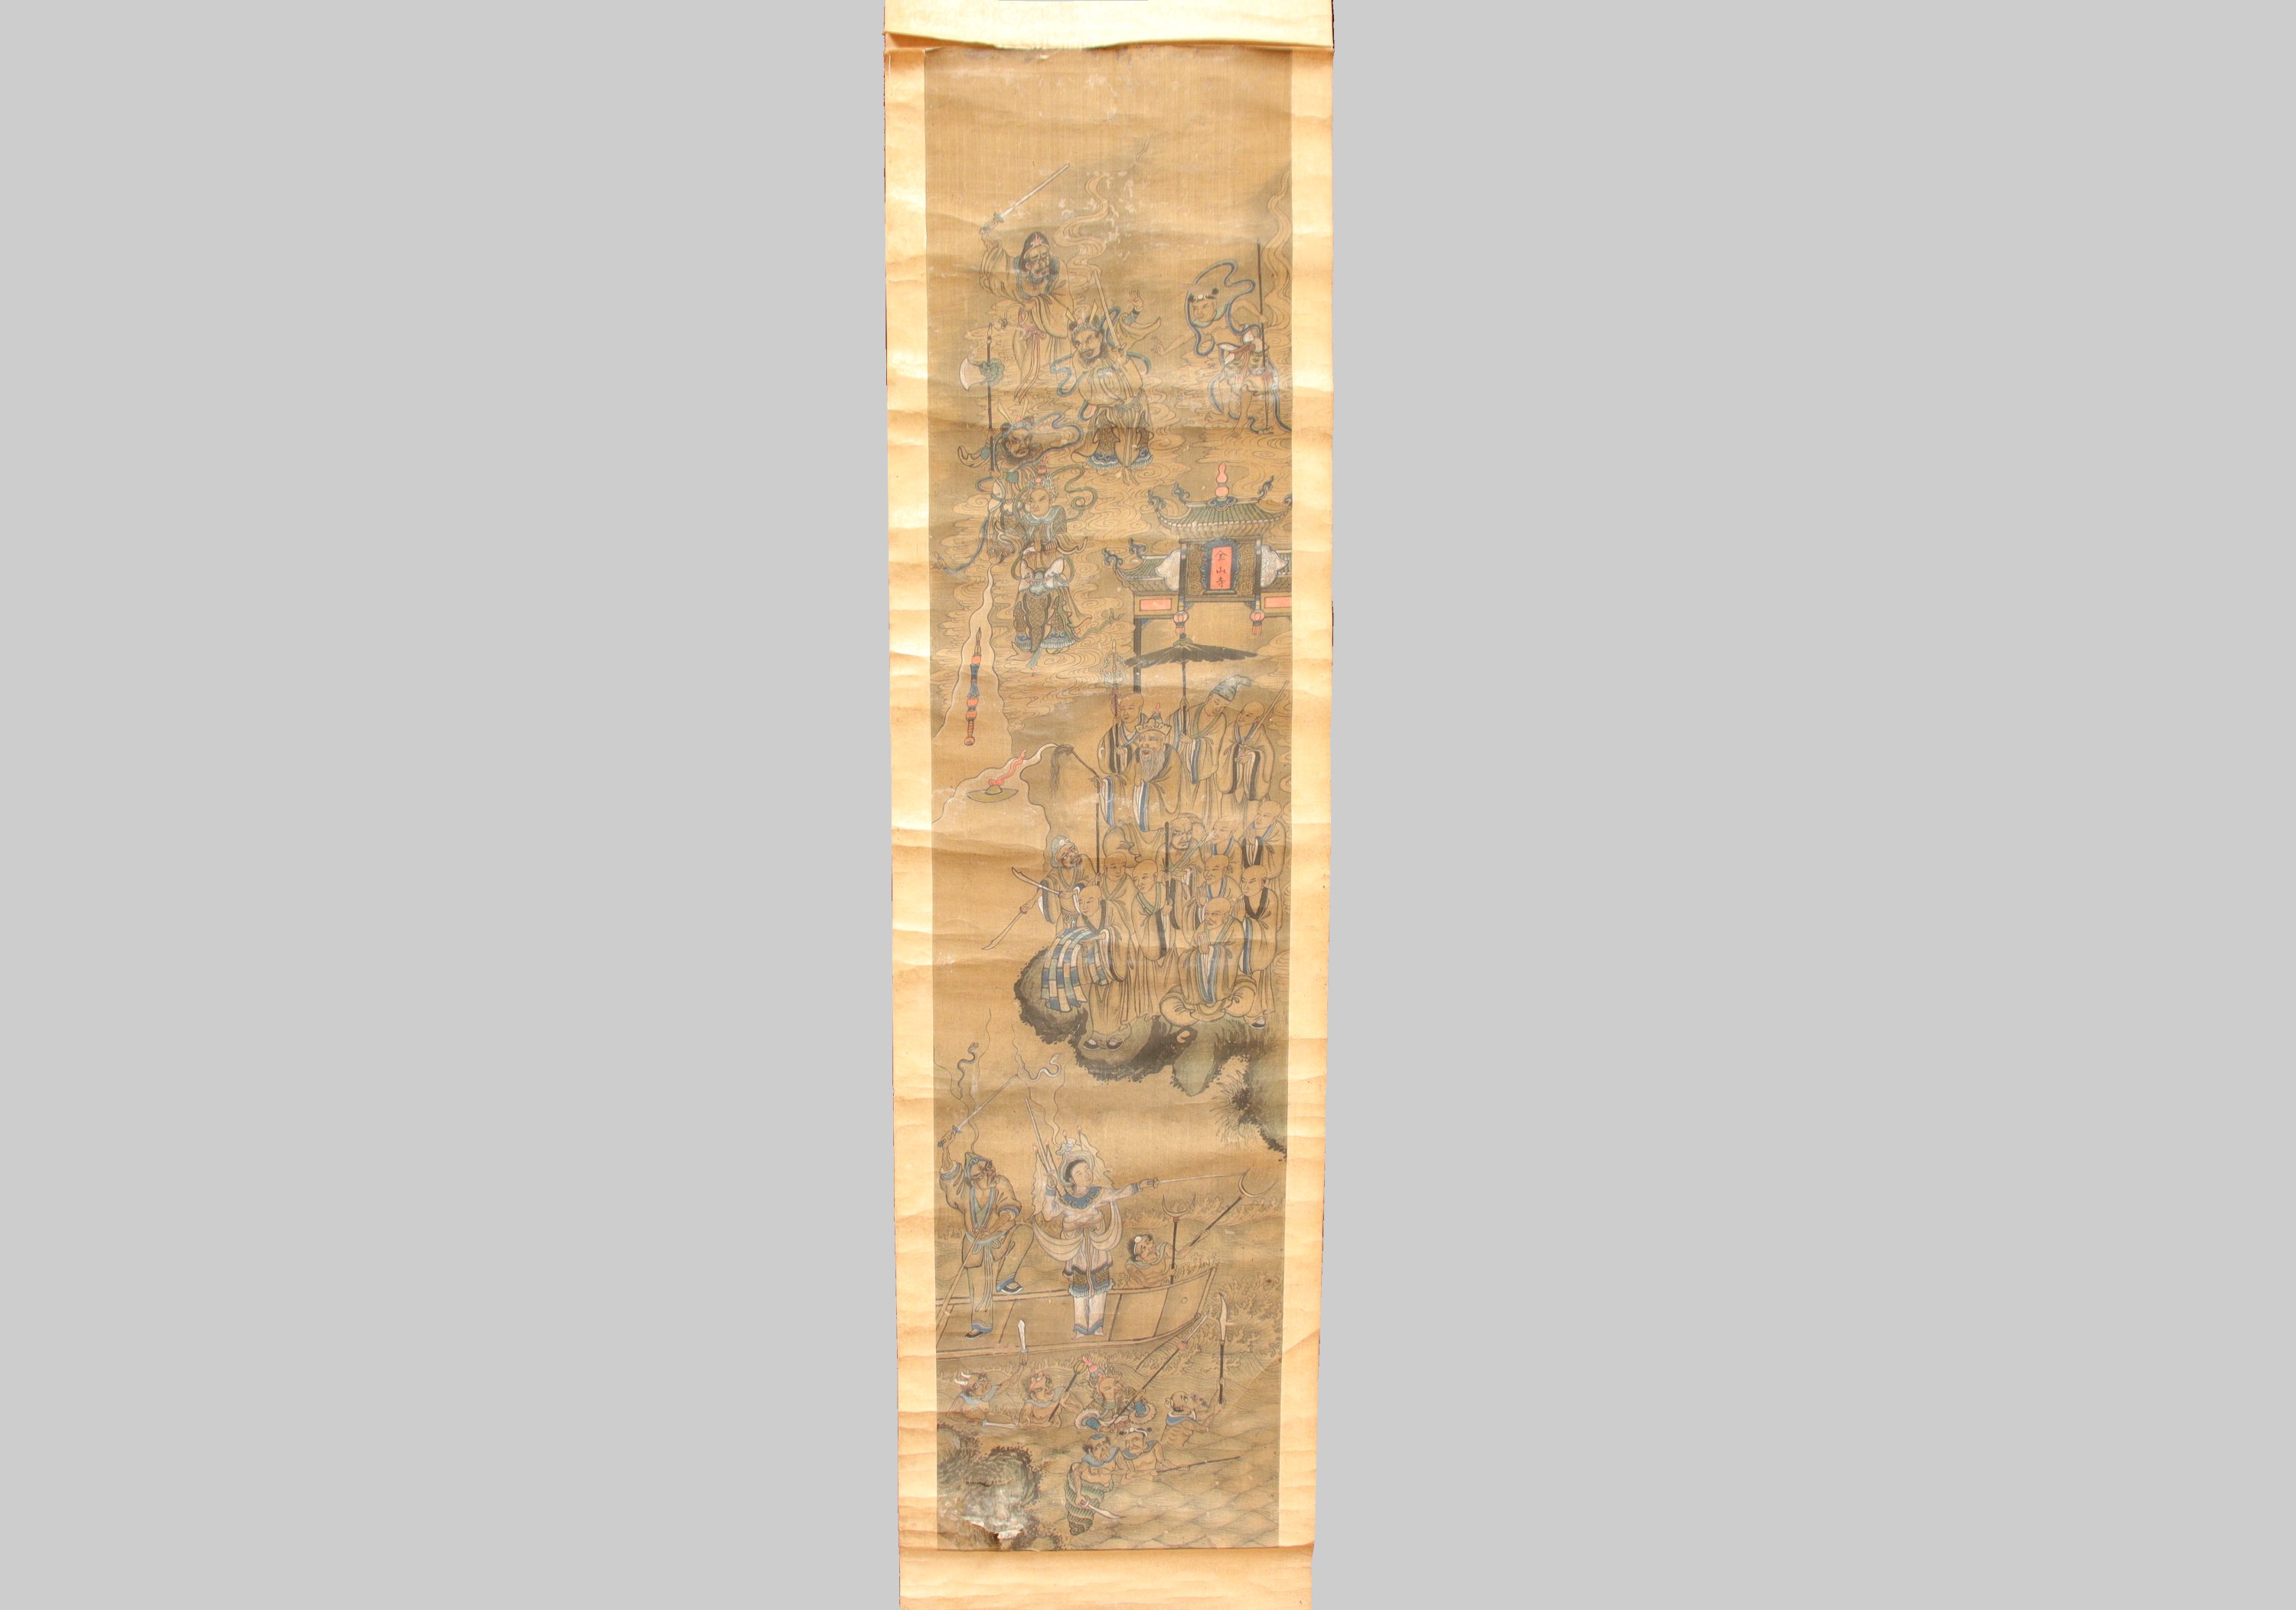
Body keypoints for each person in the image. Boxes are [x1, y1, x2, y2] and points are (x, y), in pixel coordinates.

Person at [1032, 1138, 1156, 1338]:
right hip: (1078, 1252)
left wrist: (1140, 1185)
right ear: (1071, 1179)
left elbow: (1120, 1193)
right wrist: (1050, 1189)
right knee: (1080, 1290)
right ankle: (1081, 1328)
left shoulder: (1098, 1193)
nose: (1086, 1175)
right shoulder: (1065, 1200)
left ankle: (1097, 1326)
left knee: (1100, 1288)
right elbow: (1048, 1214)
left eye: (1087, 1170)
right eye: (1079, 1173)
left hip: (1098, 1249)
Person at [938, 1136, 1026, 1337]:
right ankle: (980, 1325)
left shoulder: (1001, 1183)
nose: (991, 1174)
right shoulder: (965, 1193)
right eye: (984, 1174)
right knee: (978, 1283)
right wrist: (946, 1150)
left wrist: (993, 1229)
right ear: (974, 1180)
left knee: (1024, 1232)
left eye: (990, 1169)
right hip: (975, 1245)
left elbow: (1009, 1210)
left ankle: (1005, 1279)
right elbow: (950, 1175)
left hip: (999, 1237)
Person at [980, 224, 1075, 396]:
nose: (1043, 263)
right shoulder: (1018, 278)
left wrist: (1037, 304)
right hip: (1025, 334)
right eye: (1036, 259)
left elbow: (1065, 304)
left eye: (1045, 257)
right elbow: (1000, 272)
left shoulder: (1058, 269)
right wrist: (991, 245)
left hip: (1054, 334)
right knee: (1026, 371)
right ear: (1028, 264)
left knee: (1054, 375)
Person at [1055, 316, 1153, 471]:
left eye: (1088, 340)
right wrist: (1099, 371)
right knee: (1103, 424)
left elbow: (1137, 384)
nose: (1084, 347)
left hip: (1132, 408)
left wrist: (1125, 362)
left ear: (1100, 338)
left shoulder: (1114, 355)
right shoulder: (1081, 361)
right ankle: (1107, 455)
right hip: (1109, 410)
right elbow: (1088, 392)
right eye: (1078, 344)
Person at [1218, 701, 1279, 813]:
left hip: (1251, 782)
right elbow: (1224, 752)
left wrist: (1252, 755)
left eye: (1248, 715)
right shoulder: (1231, 728)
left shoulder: (1259, 731)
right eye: (1242, 712)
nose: (1241, 717)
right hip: (1232, 779)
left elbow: (1268, 753)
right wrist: (1238, 748)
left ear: (1257, 719)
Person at [1064, 1433, 1120, 1536]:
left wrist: (1110, 1472)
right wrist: (1078, 1495)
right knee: (1080, 1509)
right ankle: (1078, 1525)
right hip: (1083, 1488)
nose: (1104, 1448)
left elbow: (1125, 1470)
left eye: (1105, 1443)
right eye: (1098, 1447)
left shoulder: (1115, 1454)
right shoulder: (1088, 1462)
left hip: (1097, 1492)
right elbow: (1076, 1473)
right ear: (1091, 1452)